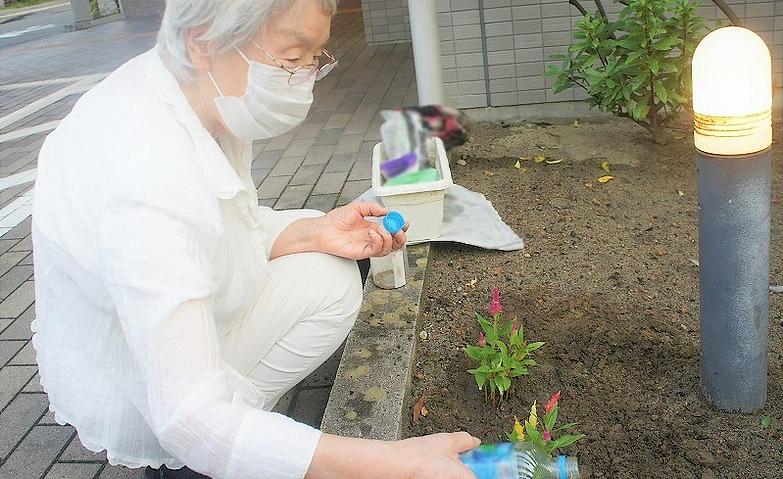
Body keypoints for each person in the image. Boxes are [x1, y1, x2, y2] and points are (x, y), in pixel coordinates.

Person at [30, 0, 480, 477]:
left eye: (316, 58)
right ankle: (198, 461)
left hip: (152, 317)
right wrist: (394, 464)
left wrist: (316, 231)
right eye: (291, 58)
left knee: (326, 272)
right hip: (137, 373)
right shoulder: (143, 178)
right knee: (205, 430)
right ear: (202, 40)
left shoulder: (193, 91)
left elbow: (223, 225)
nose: (306, 77)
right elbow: (190, 416)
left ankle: (246, 436)